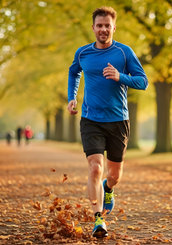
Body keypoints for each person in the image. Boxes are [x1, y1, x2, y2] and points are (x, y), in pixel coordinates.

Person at [67, 6, 148, 238]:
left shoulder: (124, 53)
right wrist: (72, 97)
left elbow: (143, 82)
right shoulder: (83, 53)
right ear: (93, 28)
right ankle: (98, 219)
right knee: (95, 167)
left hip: (118, 121)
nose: (103, 29)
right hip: (91, 119)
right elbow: (74, 72)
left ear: (114, 27)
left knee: (113, 176)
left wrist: (120, 77)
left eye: (107, 25)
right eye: (99, 25)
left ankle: (108, 189)